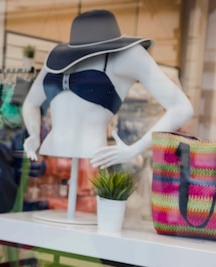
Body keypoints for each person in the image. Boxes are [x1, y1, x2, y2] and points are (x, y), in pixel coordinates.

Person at [22, 9, 194, 169]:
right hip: (52, 148)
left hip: (93, 154)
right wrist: (34, 135)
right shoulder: (58, 58)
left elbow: (182, 108)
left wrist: (134, 149)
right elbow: (30, 103)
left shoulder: (128, 55)